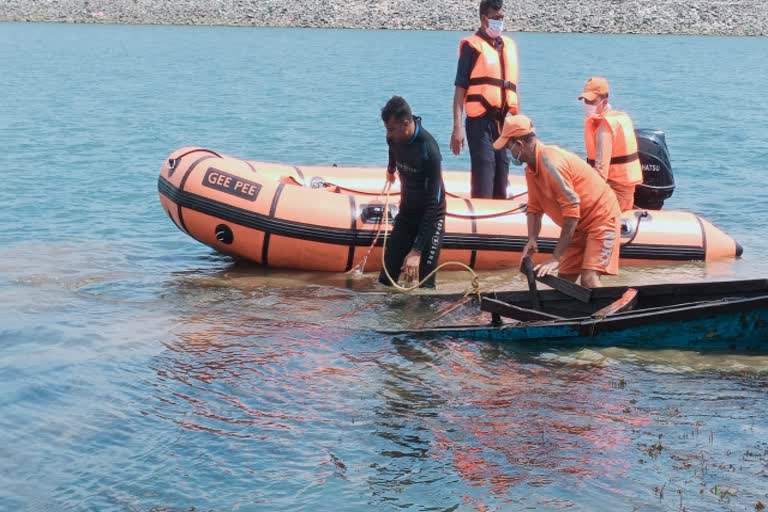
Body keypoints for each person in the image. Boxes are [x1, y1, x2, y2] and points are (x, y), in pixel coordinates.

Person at [492, 114, 621, 288]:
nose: (510, 153)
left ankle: (609, 314)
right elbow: (535, 207)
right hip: (578, 227)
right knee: (563, 284)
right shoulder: (531, 168)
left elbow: (572, 212)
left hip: (601, 218)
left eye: (509, 148)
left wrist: (556, 257)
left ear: (519, 145)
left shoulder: (551, 163)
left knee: (588, 279)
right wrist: (532, 238)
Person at [450, 0, 519, 199]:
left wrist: (517, 127)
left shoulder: (508, 46)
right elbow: (460, 90)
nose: (500, 22)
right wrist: (457, 128)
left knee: (502, 173)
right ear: (483, 19)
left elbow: (511, 89)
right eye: (495, 18)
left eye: (502, 18)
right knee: (485, 172)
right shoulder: (472, 47)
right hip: (479, 124)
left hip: (503, 124)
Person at [379, 96, 446, 289]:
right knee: (385, 281)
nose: (388, 135)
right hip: (407, 213)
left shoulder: (429, 150)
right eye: (386, 129)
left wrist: (416, 251)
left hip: (432, 218)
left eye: (391, 129)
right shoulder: (393, 138)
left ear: (406, 123)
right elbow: (392, 150)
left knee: (426, 288)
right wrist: (391, 169)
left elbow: (434, 203)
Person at [578, 76, 643, 211]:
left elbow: (601, 173)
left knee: (574, 208)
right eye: (585, 100)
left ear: (604, 101)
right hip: (620, 191)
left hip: (616, 193)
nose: (587, 104)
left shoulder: (605, 127)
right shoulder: (617, 118)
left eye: (591, 101)